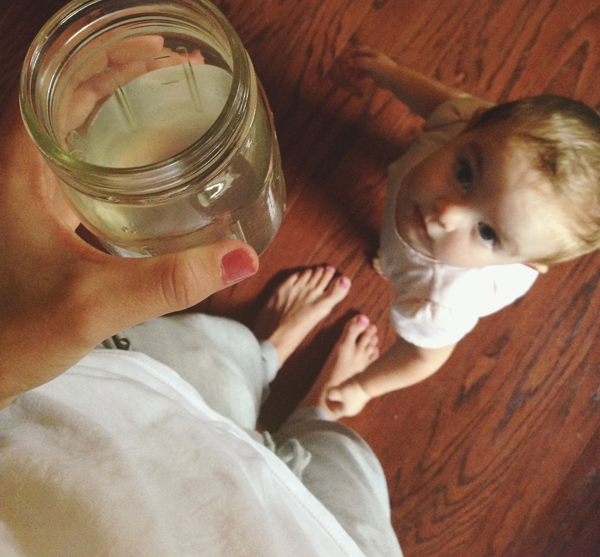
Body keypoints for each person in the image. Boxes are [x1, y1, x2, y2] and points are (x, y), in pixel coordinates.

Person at [0, 94, 403, 557]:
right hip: (320, 544)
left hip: (85, 410)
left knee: (215, 352)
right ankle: (313, 408)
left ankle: (266, 353)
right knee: (345, 460)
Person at [325, 44, 600, 418]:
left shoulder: (440, 301)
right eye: (465, 174)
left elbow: (422, 357)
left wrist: (362, 386)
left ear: (524, 263)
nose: (447, 214)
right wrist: (389, 71)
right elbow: (443, 102)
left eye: (488, 234)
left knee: (398, 260)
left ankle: (393, 260)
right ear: (475, 123)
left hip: (428, 272)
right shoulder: (467, 124)